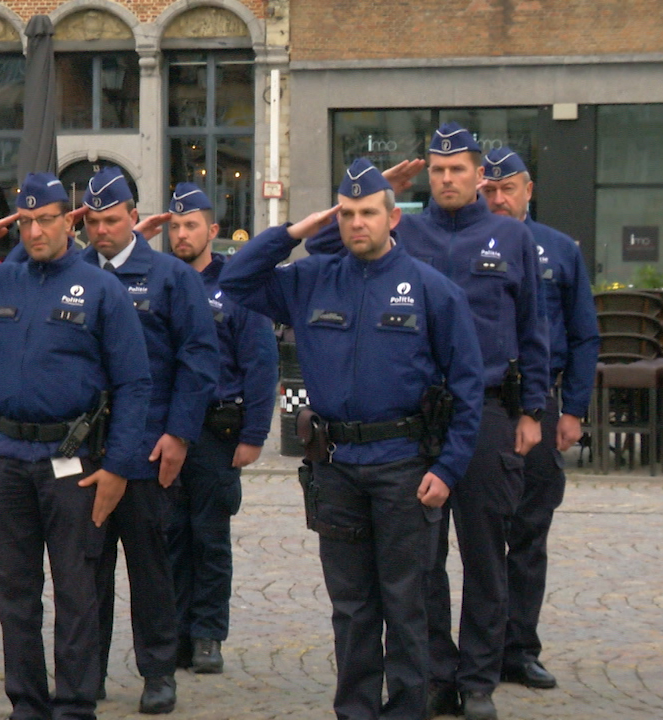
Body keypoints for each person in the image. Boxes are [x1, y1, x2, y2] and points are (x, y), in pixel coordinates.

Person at [221, 159, 484, 720]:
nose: (357, 222)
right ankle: (357, 710)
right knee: (352, 607)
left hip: (404, 466)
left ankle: (408, 708)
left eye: (368, 212)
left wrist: (450, 468)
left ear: (394, 220)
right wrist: (294, 231)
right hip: (335, 465)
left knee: (406, 604)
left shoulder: (432, 291)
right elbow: (236, 279)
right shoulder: (309, 281)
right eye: (346, 213)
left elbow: (466, 388)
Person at [307, 124, 549, 720]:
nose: (446, 179)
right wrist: (376, 192)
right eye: (437, 170)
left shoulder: (509, 237)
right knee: (420, 563)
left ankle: (480, 677)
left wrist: (534, 411)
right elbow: (321, 250)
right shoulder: (398, 226)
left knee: (486, 549)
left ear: (478, 177)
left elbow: (534, 328)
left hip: (488, 407)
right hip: (412, 419)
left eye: (457, 169)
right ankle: (436, 674)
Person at [0, 172, 151, 720]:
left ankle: (74, 705)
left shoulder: (101, 289)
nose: (36, 230)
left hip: (74, 460)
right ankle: (27, 703)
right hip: (7, 459)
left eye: (46, 219)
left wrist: (118, 468)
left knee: (76, 590)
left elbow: (136, 384)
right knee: (13, 593)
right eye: (25, 220)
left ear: (71, 221)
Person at [73, 167, 218, 714]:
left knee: (152, 567)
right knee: (85, 569)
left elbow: (199, 358)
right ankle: (86, 671)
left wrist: (180, 433)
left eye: (112, 220)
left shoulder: (168, 276)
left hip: (149, 446)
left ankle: (158, 672)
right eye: (91, 221)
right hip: (84, 446)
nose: (101, 231)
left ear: (136, 218)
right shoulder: (73, 271)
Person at [139, 183, 279, 674]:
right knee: (170, 534)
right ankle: (175, 631)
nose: (181, 233)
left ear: (212, 230)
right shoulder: (162, 280)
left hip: (218, 432)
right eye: (174, 226)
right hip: (167, 429)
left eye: (191, 224)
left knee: (209, 537)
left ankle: (207, 635)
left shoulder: (236, 284)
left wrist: (254, 435)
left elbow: (261, 363)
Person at [481, 148, 599, 690]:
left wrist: (573, 408)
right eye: (490, 191)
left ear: (530, 190)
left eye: (509, 189)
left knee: (529, 529)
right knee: (476, 533)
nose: (499, 199)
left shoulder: (559, 250)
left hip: (538, 402)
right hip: (479, 403)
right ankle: (467, 649)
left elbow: (582, 334)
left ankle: (518, 648)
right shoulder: (464, 245)